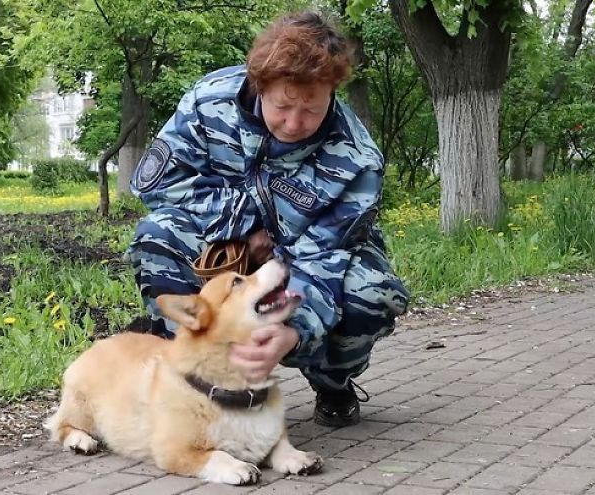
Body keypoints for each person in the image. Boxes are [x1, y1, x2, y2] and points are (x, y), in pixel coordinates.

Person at [125, 9, 409, 427]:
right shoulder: (209, 101)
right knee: (157, 235)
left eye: (311, 110)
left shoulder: (357, 160)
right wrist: (244, 226)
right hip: (223, 244)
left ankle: (333, 383)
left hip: (306, 259)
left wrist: (292, 331)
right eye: (283, 105)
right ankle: (181, 371)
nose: (295, 123)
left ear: (332, 90)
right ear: (260, 85)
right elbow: (155, 184)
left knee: (372, 292)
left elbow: (325, 256)